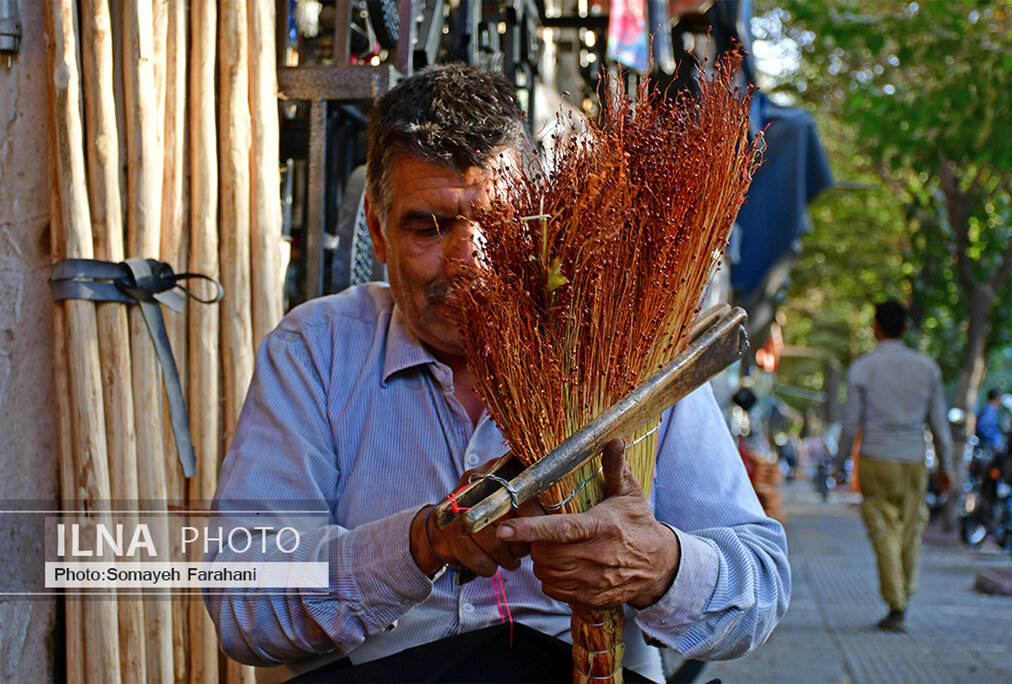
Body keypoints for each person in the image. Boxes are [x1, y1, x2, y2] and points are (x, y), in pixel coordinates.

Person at [205, 63, 790, 682]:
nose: (468, 260)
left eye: (496, 224)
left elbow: (762, 585)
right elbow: (244, 605)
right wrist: (422, 545)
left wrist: (657, 566)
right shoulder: (315, 353)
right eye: (429, 228)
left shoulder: (626, 349)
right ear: (377, 230)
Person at [836, 300, 952, 633]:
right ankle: (905, 594)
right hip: (914, 461)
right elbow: (939, 424)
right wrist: (946, 466)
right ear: (905, 327)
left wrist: (840, 463)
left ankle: (896, 603)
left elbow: (850, 423)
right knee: (912, 529)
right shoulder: (927, 369)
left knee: (882, 529)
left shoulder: (863, 369)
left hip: (876, 459)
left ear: (876, 327)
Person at [976, 388, 1006, 453]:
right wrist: (994, 442)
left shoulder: (991, 411)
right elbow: (983, 428)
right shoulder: (989, 411)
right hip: (985, 445)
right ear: (996, 398)